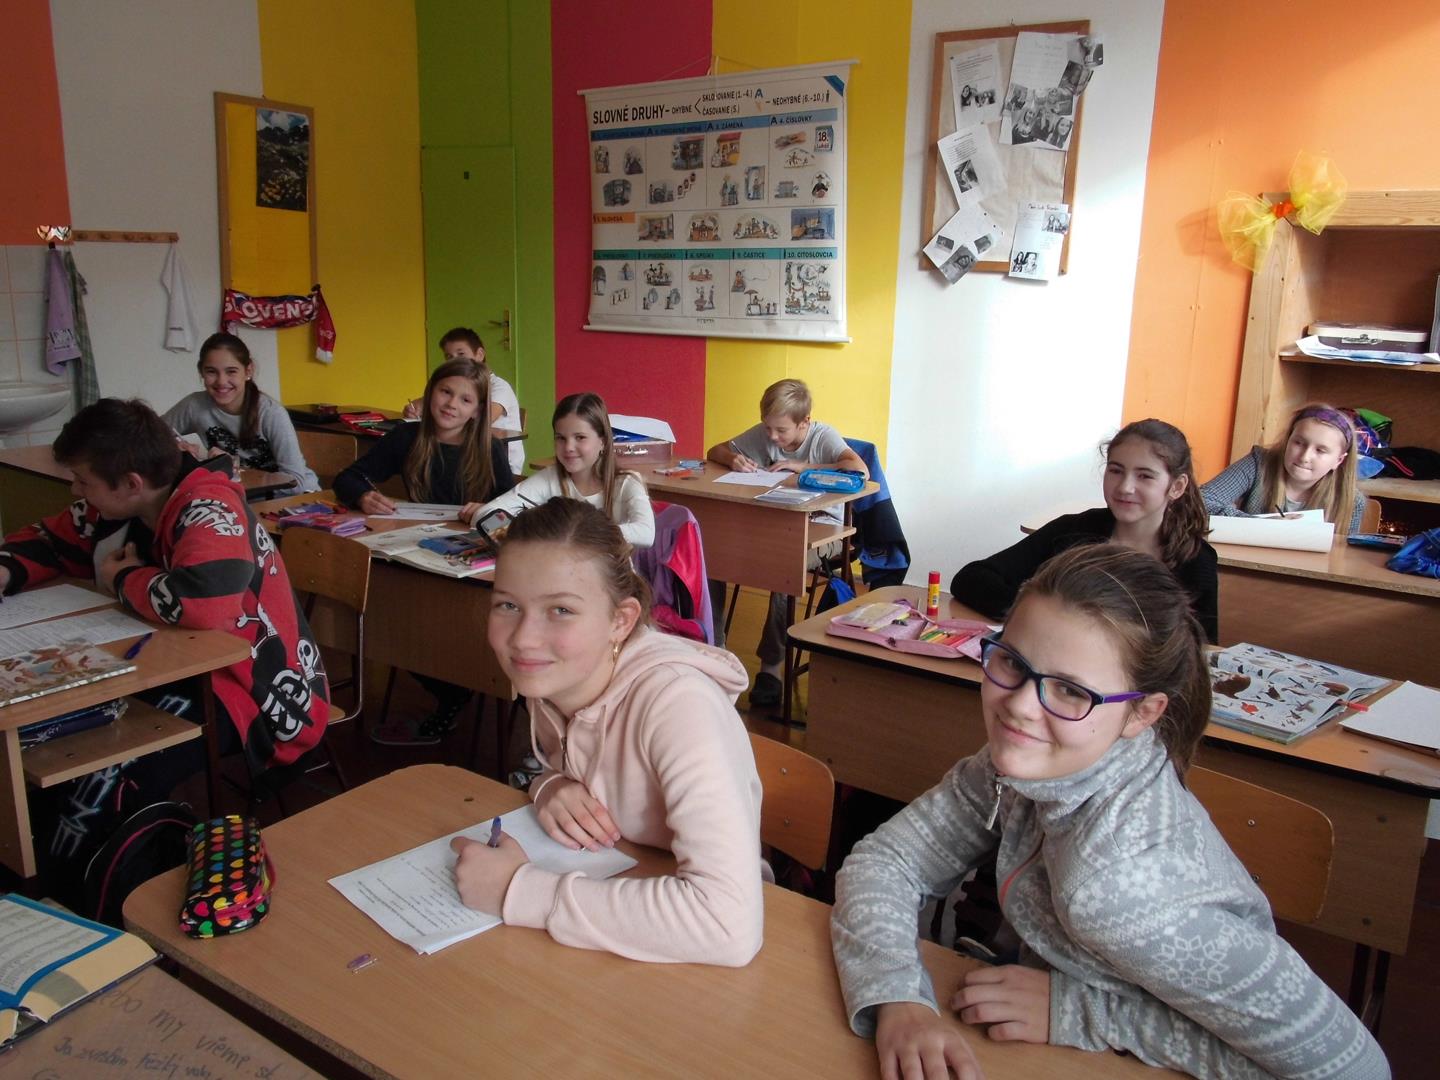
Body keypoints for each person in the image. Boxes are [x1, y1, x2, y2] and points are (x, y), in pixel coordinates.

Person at [831, 543, 1389, 1080]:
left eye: (1071, 692)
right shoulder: (1032, 765)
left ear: (1142, 713)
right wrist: (898, 997)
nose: (1019, 705)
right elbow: (887, 862)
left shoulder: (1115, 892)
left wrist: (1082, 1013)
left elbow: (1354, 1068)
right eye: (1012, 662)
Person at [450, 498, 763, 966]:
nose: (523, 639)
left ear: (621, 621)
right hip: (621, 895)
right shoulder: (559, 674)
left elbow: (727, 924)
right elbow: (583, 763)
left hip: (698, 953)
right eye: (508, 605)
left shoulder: (679, 705)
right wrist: (548, 785)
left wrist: (517, 890)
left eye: (560, 609)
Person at [0, 399, 330, 777]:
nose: (75, 490)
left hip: (251, 691)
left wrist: (124, 578)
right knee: (53, 740)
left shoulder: (210, 507)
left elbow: (205, 602)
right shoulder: (114, 508)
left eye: (83, 481)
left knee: (105, 767)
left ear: (131, 483)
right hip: (172, 664)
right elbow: (49, 538)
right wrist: (6, 570)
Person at [334, 357, 514, 744]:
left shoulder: (489, 448)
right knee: (392, 626)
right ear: (430, 392)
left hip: (468, 563)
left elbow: (511, 508)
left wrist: (487, 510)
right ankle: (452, 692)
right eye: (445, 392)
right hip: (416, 552)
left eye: (465, 399)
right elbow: (348, 478)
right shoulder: (407, 437)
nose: (451, 404)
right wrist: (363, 495)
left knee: (450, 628)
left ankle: (461, 687)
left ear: (477, 410)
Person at [953, 418, 1218, 642]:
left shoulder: (1196, 560)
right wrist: (1040, 614)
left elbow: (1200, 651)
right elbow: (971, 579)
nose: (1125, 487)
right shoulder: (1071, 531)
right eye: (1116, 471)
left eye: (1145, 476)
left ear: (1177, 486)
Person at [706, 378, 869, 706]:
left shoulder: (823, 437)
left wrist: (801, 467)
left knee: (784, 563)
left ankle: (772, 666)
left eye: (781, 431)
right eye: (767, 428)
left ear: (804, 422)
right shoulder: (765, 432)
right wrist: (733, 459)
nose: (772, 437)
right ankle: (714, 649)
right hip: (775, 522)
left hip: (824, 528)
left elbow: (859, 470)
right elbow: (714, 451)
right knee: (713, 552)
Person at [471, 392, 654, 548]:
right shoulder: (550, 478)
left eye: (580, 437)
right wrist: (530, 532)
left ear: (603, 442)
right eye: (560, 438)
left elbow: (646, 533)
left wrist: (570, 532)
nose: (568, 447)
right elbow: (484, 514)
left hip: (612, 576)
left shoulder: (626, 482)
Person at [163, 331, 319, 493]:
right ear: (201, 371)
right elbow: (149, 437)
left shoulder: (271, 413)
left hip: (290, 497)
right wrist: (175, 447)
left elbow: (296, 483)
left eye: (231, 371)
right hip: (237, 496)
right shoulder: (194, 405)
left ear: (248, 371)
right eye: (211, 371)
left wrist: (236, 475)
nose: (221, 381)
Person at [1201, 403, 1364, 533]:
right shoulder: (1258, 463)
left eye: (1320, 450)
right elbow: (1201, 501)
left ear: (1338, 461)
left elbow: (1343, 554)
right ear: (1288, 440)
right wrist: (1260, 524)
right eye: (1298, 443)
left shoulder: (1352, 500)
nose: (1305, 457)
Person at [402, 327, 525, 475]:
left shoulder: (499, 387)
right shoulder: (455, 385)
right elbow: (425, 403)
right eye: (449, 357)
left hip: (497, 462)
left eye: (461, 354)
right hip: (464, 453)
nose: (455, 361)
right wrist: (416, 407)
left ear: (480, 354)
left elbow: (483, 419)